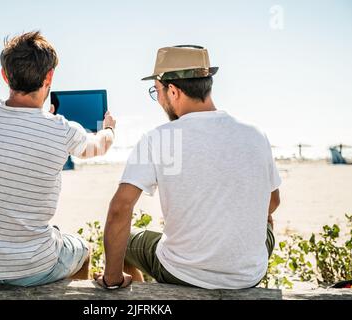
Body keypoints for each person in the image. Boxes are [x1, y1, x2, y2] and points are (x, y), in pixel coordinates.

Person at [95, 45, 280, 290]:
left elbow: (120, 208)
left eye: (156, 91)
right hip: (249, 274)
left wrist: (111, 278)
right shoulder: (255, 134)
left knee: (128, 242)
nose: (158, 99)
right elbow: (273, 201)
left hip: (182, 272)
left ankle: (123, 288)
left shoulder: (158, 139)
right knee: (265, 222)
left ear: (173, 91)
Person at [0, 31, 116, 286]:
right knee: (83, 250)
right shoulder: (60, 129)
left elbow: (12, 126)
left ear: (5, 75)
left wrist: (40, 120)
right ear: (49, 76)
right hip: (31, 268)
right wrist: (109, 129)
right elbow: (98, 147)